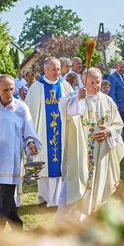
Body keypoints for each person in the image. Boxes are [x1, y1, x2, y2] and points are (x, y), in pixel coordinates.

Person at [0, 74, 41, 232]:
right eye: (5, 90)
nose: (9, 93)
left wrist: (31, 144)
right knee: (7, 201)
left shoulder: (21, 108)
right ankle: (18, 228)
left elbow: (29, 134)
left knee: (4, 201)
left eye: (12, 89)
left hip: (12, 162)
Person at [58, 67, 124, 220]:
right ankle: (73, 220)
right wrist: (78, 99)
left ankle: (96, 217)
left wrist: (109, 131)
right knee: (77, 185)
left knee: (101, 186)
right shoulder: (73, 97)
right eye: (92, 82)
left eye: (98, 82)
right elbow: (65, 110)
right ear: (83, 82)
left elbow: (117, 123)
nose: (96, 85)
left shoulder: (108, 101)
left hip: (102, 153)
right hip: (80, 152)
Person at [25, 57, 74, 207]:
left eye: (58, 69)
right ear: (45, 70)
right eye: (53, 69)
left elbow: (73, 110)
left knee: (61, 163)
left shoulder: (65, 86)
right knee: (44, 163)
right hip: (43, 134)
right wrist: (30, 137)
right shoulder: (36, 88)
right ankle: (45, 197)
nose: (57, 72)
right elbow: (29, 114)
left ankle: (60, 197)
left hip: (62, 134)